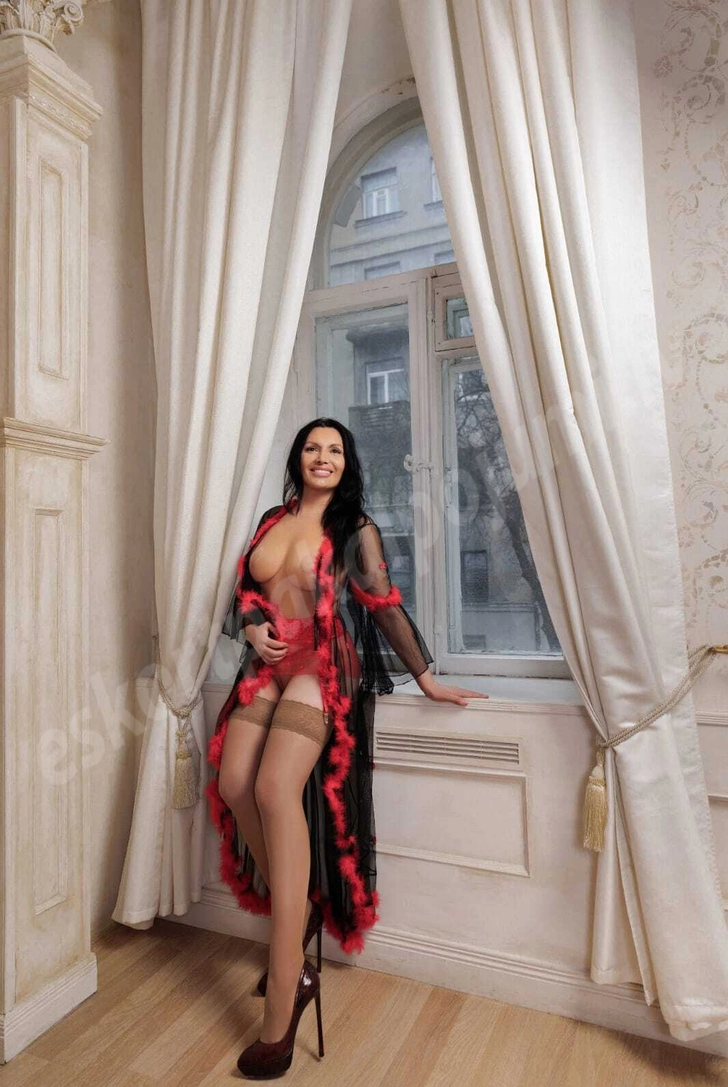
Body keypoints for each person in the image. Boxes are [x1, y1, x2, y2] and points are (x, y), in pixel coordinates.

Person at [206, 418, 489, 1078]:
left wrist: (427, 677)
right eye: (313, 447)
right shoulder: (271, 520)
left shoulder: (356, 528)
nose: (323, 457)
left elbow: (384, 606)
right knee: (233, 784)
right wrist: (252, 629)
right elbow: (244, 596)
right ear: (298, 458)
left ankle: (285, 993)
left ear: (346, 462)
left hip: (321, 668)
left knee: (274, 789)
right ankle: (299, 906)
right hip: (268, 666)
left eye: (334, 450)